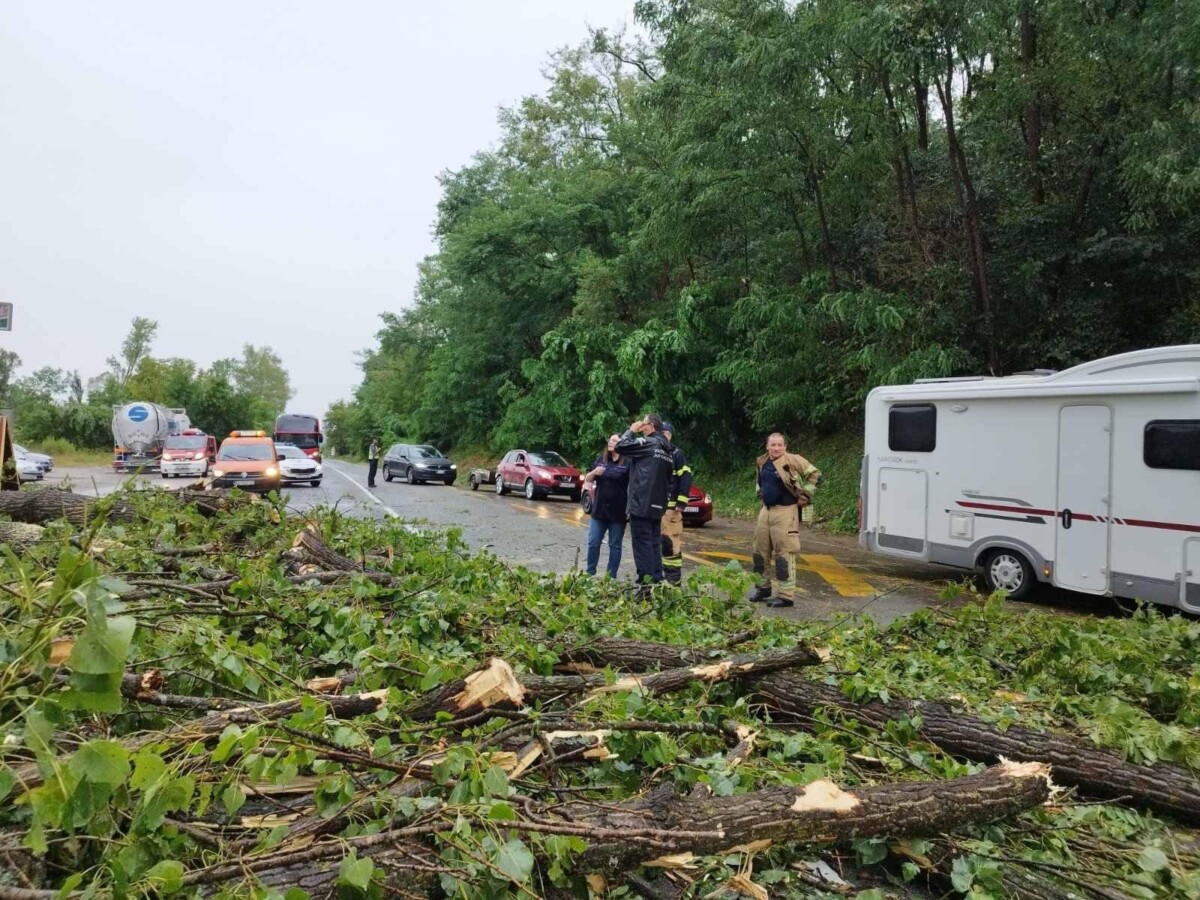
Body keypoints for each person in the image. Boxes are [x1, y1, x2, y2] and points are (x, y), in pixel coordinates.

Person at [748, 432, 821, 608]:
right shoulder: (762, 461)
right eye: (773, 445)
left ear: (785, 447)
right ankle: (763, 588)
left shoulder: (793, 460)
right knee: (760, 551)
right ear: (767, 446)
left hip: (786, 511)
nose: (776, 448)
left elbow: (816, 475)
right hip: (766, 511)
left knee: (784, 553)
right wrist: (761, 494)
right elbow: (760, 481)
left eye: (780, 445)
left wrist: (805, 495)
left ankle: (786, 596)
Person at [614, 414, 674, 588]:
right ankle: (657, 581)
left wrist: (631, 430)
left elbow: (620, 446)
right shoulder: (668, 450)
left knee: (642, 546)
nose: (640, 426)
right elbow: (669, 481)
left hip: (641, 504)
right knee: (654, 544)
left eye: (643, 424)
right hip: (657, 506)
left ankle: (645, 587)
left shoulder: (648, 443)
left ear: (650, 427)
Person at [583, 434, 629, 578]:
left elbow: (633, 486)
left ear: (622, 444)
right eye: (610, 440)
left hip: (618, 512)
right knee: (593, 542)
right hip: (599, 511)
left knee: (615, 545)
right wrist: (594, 472)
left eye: (615, 440)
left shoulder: (628, 463)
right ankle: (590, 574)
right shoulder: (601, 461)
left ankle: (610, 578)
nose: (610, 442)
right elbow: (587, 479)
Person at [659, 422, 692, 586]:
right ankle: (660, 579)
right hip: (656, 508)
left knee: (670, 543)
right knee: (657, 544)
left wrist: (681, 502)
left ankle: (674, 580)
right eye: (661, 432)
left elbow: (685, 477)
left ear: (670, 436)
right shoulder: (655, 453)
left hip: (671, 509)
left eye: (666, 433)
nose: (664, 435)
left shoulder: (677, 454)